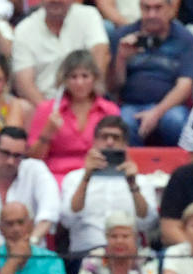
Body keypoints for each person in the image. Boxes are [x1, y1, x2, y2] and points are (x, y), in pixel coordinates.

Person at [58, 115, 159, 258]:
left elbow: (148, 223)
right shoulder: (74, 178)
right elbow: (68, 219)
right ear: (94, 142)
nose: (110, 142)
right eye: (104, 137)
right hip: (85, 253)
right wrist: (86, 177)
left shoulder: (141, 181)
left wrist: (133, 185)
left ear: (125, 144)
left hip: (127, 255)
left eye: (116, 138)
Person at [110, 0, 193, 147]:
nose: (152, 14)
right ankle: (132, 168)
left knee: (175, 121)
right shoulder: (122, 35)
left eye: (158, 8)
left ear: (171, 9)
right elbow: (113, 87)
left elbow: (185, 86)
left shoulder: (185, 38)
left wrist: (156, 112)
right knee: (123, 123)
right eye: (146, 8)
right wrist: (121, 59)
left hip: (170, 106)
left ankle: (178, 168)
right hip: (131, 104)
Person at [27, 49, 120, 184]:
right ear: (64, 80)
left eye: (85, 76)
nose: (79, 83)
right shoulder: (47, 110)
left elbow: (117, 154)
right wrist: (47, 134)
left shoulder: (109, 111)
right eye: (73, 77)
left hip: (96, 175)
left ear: (94, 78)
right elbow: (33, 160)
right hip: (54, 178)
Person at [0, 126, 60, 249]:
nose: (10, 161)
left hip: (34, 255)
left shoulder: (36, 170)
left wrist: (30, 244)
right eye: (5, 153)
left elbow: (49, 213)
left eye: (17, 156)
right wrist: (11, 257)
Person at [12, 0, 110, 107]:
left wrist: (88, 99)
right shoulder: (24, 30)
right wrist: (48, 111)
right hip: (44, 103)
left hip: (86, 100)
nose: (56, 0)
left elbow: (101, 54)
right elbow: (24, 83)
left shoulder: (88, 16)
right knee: (22, 106)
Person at [77, 211, 158, 274]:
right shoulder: (95, 257)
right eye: (114, 236)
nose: (119, 241)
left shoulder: (146, 257)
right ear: (106, 237)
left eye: (125, 236)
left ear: (135, 238)